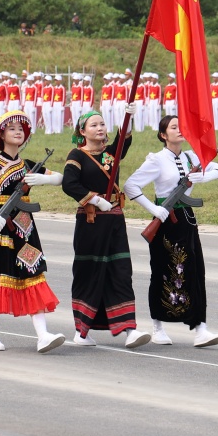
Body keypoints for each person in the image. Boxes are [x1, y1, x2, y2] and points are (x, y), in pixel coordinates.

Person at [0, 110, 67, 353]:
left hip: (25, 228)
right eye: (12, 129)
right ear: (1, 135)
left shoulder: (28, 166)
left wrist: (45, 180)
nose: (18, 132)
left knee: (33, 273)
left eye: (21, 129)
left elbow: (60, 178)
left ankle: (43, 335)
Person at [124, 115, 218, 347]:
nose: (179, 130)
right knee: (162, 270)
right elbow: (130, 185)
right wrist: (154, 208)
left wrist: (204, 176)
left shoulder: (192, 156)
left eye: (182, 126)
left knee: (195, 271)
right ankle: (157, 326)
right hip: (165, 220)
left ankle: (200, 328)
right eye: (173, 127)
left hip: (187, 220)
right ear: (163, 135)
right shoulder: (157, 160)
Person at [60, 105, 150, 348]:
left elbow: (124, 140)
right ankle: (82, 331)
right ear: (83, 131)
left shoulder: (111, 153)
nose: (100, 128)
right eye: (94, 125)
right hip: (91, 222)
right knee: (90, 274)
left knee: (121, 272)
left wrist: (128, 116)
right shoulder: (76, 155)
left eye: (102, 124)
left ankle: (129, 328)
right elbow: (69, 184)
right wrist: (95, 199)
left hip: (115, 222)